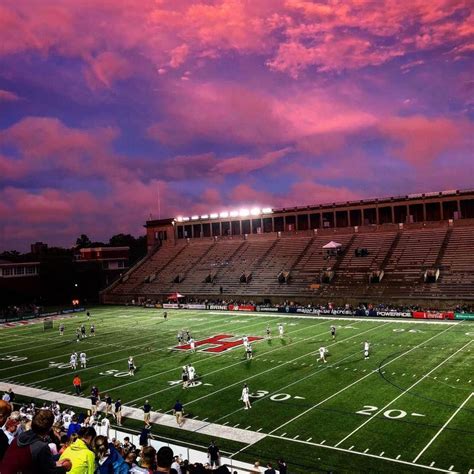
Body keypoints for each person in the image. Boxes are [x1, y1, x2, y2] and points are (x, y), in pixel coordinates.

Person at [1, 409, 71, 473]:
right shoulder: (41, 447)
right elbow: (49, 471)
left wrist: (56, 463)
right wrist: (64, 468)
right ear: (49, 428)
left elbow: (39, 461)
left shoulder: (20, 437)